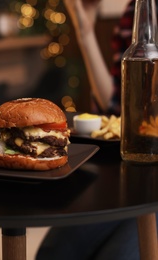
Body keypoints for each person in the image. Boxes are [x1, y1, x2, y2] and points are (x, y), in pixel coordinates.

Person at [35, 0, 158, 259]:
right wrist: (85, 31)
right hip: (133, 173)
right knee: (53, 253)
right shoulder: (134, 13)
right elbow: (115, 104)